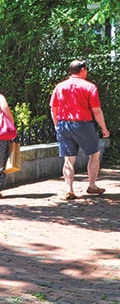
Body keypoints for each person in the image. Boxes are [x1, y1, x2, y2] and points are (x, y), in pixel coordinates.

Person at [49, 59, 110, 200]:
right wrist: (104, 128)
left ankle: (69, 189)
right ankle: (92, 185)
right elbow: (97, 111)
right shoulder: (89, 87)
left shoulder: (59, 86)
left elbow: (53, 108)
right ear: (83, 70)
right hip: (83, 124)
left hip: (64, 124)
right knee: (94, 154)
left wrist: (57, 124)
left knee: (68, 160)